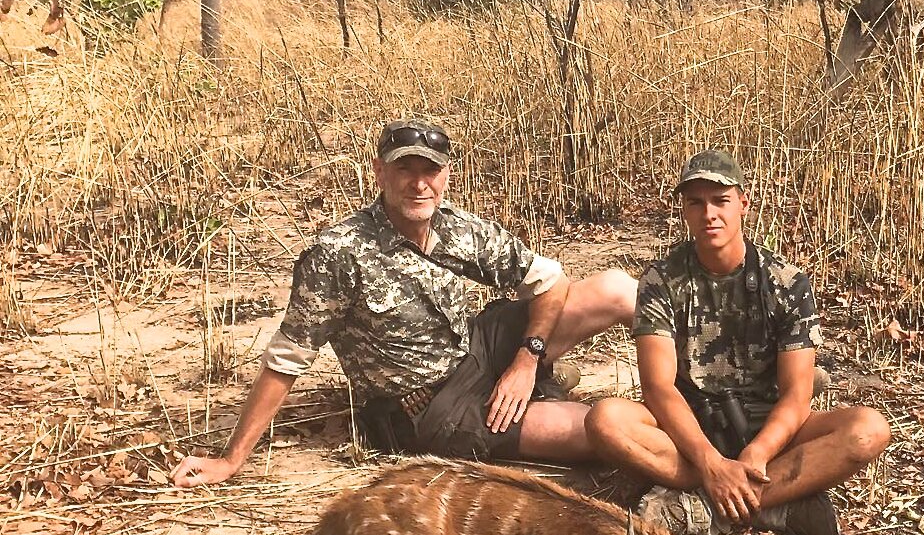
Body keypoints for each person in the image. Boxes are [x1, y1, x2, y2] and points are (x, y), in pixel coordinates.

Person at [171, 118, 636, 488]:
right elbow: (287, 359)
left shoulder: (459, 227)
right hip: (431, 408)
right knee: (608, 427)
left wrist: (526, 361)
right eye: (404, 169)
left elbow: (549, 281)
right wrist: (231, 459)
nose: (419, 184)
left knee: (616, 288)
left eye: (429, 170)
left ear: (446, 176)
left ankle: (697, 381)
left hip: (476, 349)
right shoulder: (338, 253)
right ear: (379, 172)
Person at [585, 150, 891, 535]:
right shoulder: (661, 279)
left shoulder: (786, 281)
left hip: (767, 425)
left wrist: (757, 454)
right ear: (683, 211)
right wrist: (711, 463)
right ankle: (776, 503)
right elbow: (658, 388)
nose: (709, 213)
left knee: (868, 430)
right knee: (605, 420)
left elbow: (798, 394)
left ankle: (701, 508)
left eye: (720, 200)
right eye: (696, 202)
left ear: (743, 203)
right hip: (691, 426)